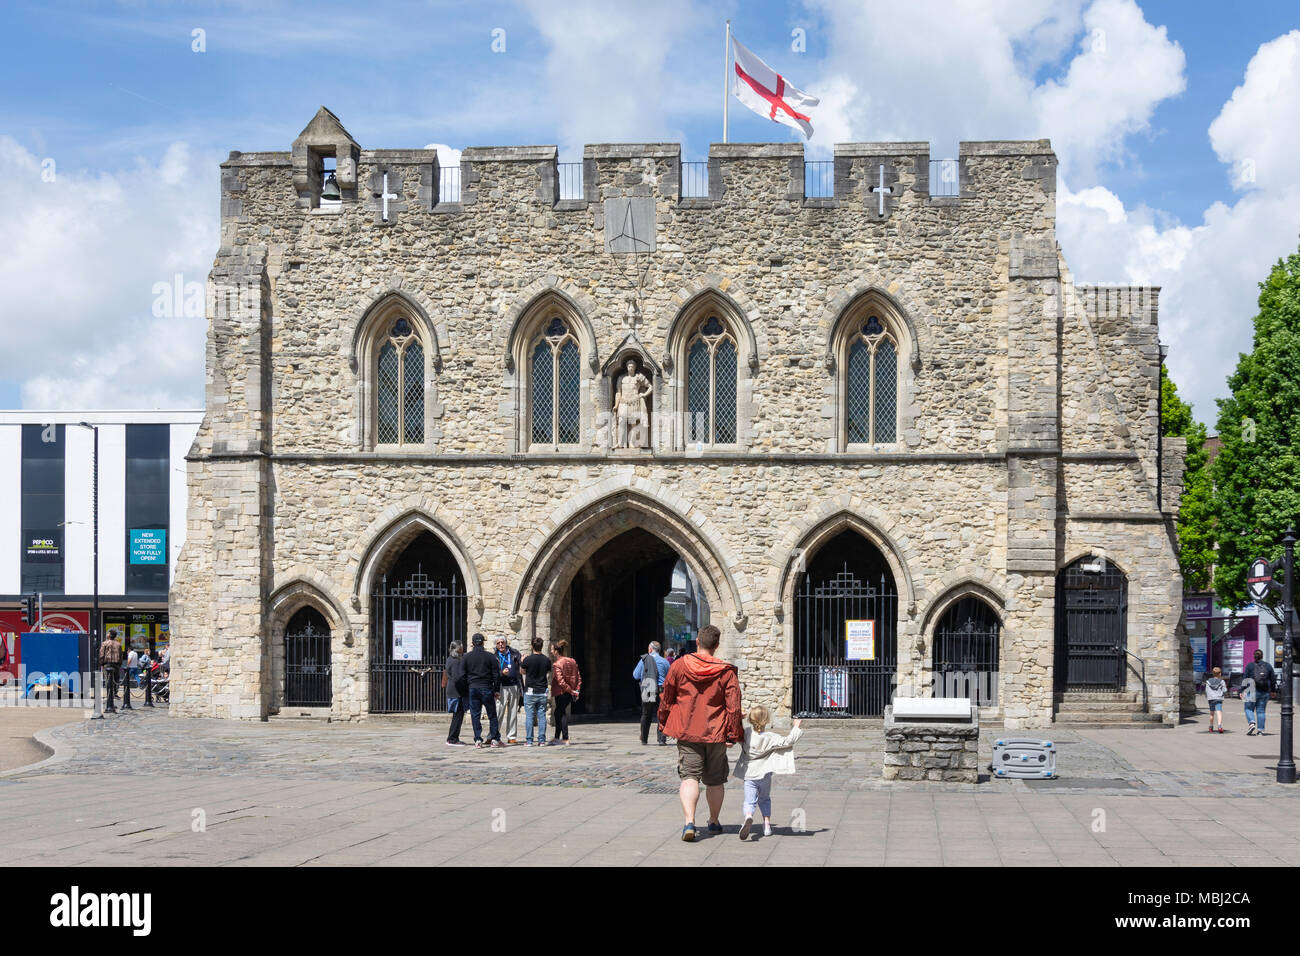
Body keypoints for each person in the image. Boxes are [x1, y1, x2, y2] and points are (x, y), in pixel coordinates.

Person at [657, 624, 744, 842]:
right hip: (716, 732)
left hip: (687, 731)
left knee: (689, 777)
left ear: (697, 641)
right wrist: (733, 734)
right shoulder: (726, 671)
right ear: (716, 645)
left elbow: (667, 696)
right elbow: (733, 706)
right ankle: (714, 821)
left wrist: (663, 721)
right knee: (715, 780)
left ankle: (689, 822)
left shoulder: (679, 666)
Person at [732, 705, 803, 840]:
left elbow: (737, 733)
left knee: (749, 801)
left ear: (751, 720)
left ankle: (748, 816)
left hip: (749, 774)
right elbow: (788, 741)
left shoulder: (746, 733)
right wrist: (796, 727)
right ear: (767, 720)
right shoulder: (771, 737)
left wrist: (738, 719)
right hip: (765, 775)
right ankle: (767, 825)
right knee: (764, 799)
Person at [462, 633, 503, 748]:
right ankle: (494, 739)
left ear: (472, 643)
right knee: (492, 715)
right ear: (483, 643)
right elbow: (496, 675)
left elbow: (462, 675)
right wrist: (496, 689)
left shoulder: (466, 657)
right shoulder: (490, 657)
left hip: (473, 688)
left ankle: (478, 739)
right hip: (487, 687)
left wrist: (467, 687)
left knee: (475, 715)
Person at [633, 641, 671, 745]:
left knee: (646, 714)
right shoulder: (665, 662)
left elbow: (635, 675)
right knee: (661, 714)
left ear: (650, 649)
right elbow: (669, 677)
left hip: (648, 688)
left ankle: (644, 739)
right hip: (661, 690)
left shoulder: (644, 660)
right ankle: (661, 739)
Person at [520, 637, 552, 746]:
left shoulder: (528, 659)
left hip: (530, 691)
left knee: (529, 716)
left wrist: (522, 661)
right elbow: (547, 672)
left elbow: (522, 672)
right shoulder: (546, 660)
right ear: (542, 646)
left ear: (532, 646)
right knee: (542, 715)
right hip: (542, 690)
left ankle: (529, 740)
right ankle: (541, 740)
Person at [549, 640, 581, 745]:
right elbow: (578, 677)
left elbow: (561, 682)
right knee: (558, 712)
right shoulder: (572, 661)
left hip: (561, 692)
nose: (551, 652)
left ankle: (565, 738)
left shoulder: (557, 664)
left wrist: (572, 691)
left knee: (561, 713)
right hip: (569, 692)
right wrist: (576, 690)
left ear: (557, 651)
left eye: (552, 650)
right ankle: (557, 737)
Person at [494, 637, 523, 744]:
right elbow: (493, 673)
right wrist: (502, 673)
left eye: (502, 642)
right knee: (499, 712)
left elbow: (521, 666)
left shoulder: (515, 653)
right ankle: (494, 734)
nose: (501, 644)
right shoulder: (494, 656)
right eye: (498, 643)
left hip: (514, 685)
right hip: (501, 686)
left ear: (506, 643)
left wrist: (524, 661)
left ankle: (511, 736)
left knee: (513, 712)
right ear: (496, 645)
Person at [1243, 649, 1276, 736]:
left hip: (1251, 690)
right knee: (1261, 711)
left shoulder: (1250, 666)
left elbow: (1245, 678)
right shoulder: (1268, 666)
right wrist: (1273, 690)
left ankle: (1252, 722)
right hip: (1264, 691)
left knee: (1248, 708)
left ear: (1254, 656)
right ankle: (1260, 731)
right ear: (1262, 656)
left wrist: (1242, 690)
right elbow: (1273, 679)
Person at [444, 641, 468, 746]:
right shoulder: (455, 661)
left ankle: (453, 737)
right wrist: (465, 688)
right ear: (458, 649)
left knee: (457, 715)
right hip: (456, 691)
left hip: (453, 690)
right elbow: (457, 678)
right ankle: (452, 738)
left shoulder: (450, 659)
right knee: (458, 716)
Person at [98, 632, 122, 713]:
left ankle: (109, 699)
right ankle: (114, 694)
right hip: (116, 665)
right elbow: (121, 656)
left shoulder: (104, 643)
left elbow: (101, 654)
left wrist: (101, 663)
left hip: (107, 664)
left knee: (108, 681)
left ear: (109, 635)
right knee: (116, 680)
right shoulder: (118, 644)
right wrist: (119, 664)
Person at [1204, 666, 1226, 733]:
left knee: (1211, 713)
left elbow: (1206, 690)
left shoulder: (1208, 682)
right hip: (1219, 698)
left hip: (1211, 699)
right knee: (1219, 712)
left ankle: (1211, 726)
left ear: (1213, 674)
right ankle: (1219, 726)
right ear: (1220, 674)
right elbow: (1224, 690)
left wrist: (1207, 696)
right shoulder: (1222, 681)